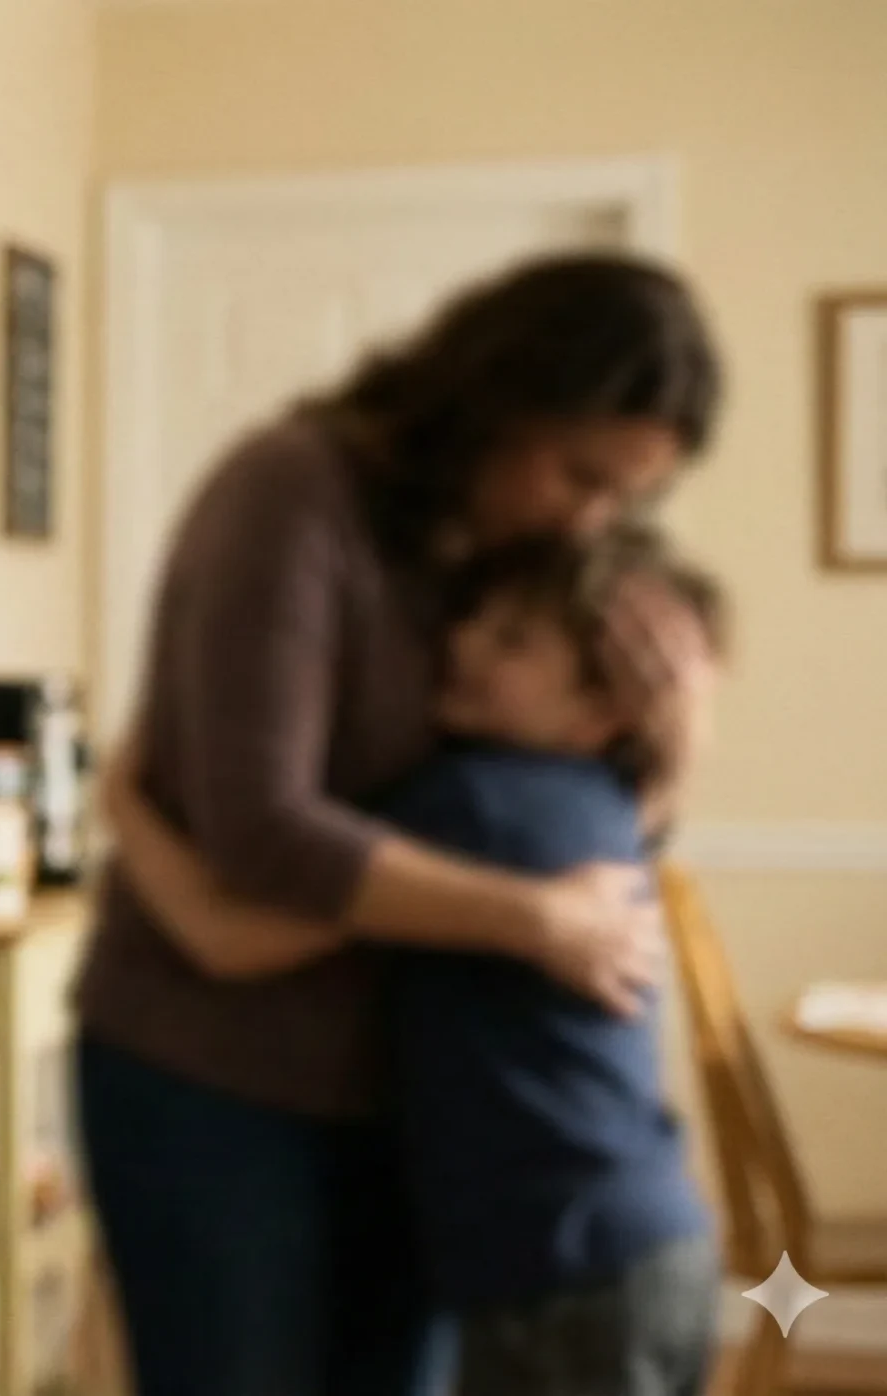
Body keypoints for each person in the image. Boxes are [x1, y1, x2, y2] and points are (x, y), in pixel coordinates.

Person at [69, 251, 724, 1396]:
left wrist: (664, 758)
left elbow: (543, 826)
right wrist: (531, 918)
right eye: (579, 475)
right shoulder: (290, 495)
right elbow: (262, 837)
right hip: (218, 1085)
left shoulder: (508, 565)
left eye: (624, 499)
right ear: (498, 397)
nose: (591, 521)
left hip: (414, 1118)